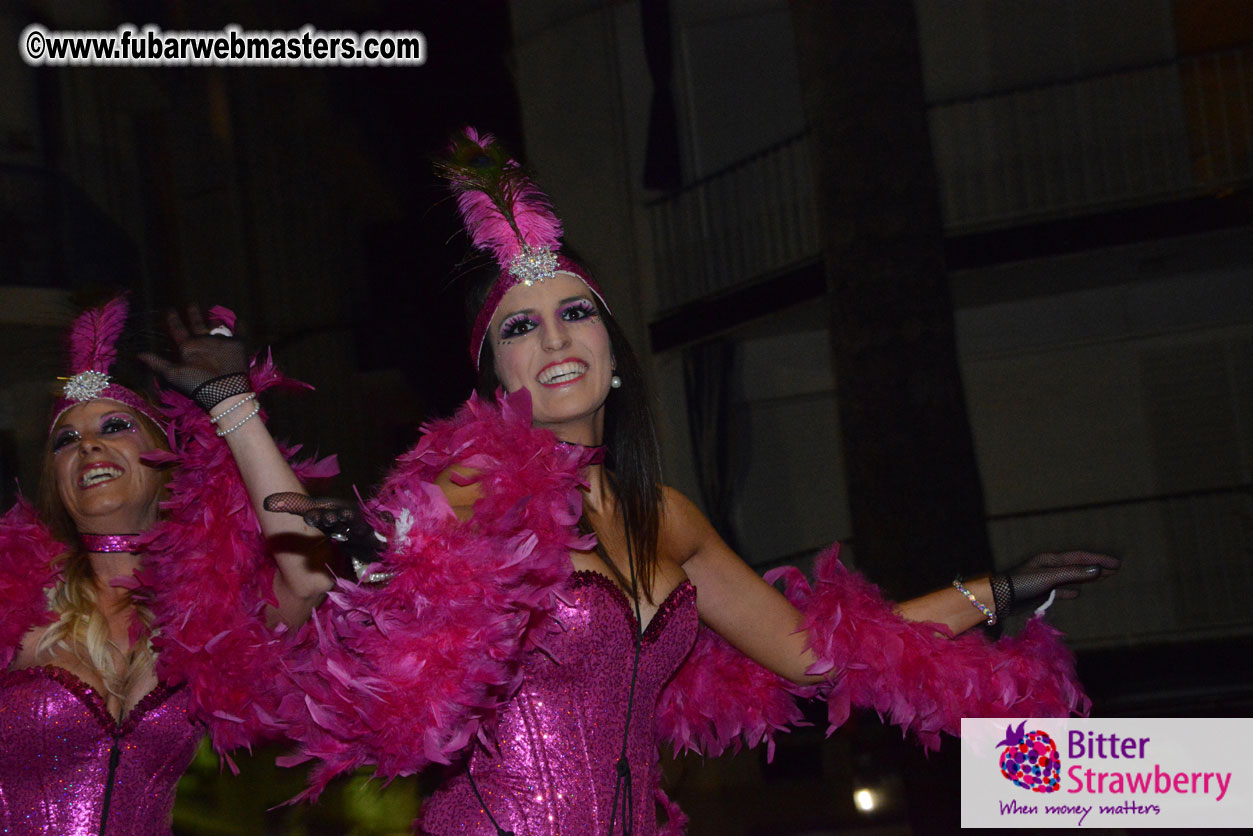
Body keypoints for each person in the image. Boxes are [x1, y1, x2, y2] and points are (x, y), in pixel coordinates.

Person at [273, 128, 1119, 835]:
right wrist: (357, 544)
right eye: (520, 328)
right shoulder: (473, 484)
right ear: (498, 377)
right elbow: (399, 562)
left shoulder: (666, 518)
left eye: (576, 314)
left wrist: (997, 588)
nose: (555, 339)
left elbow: (811, 655)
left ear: (610, 356)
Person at [0, 298, 335, 835]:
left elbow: (310, 574)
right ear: (55, 481)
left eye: (114, 426)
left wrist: (232, 406)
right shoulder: (12, 595)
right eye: (67, 439)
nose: (89, 445)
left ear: (163, 460)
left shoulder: (207, 616)